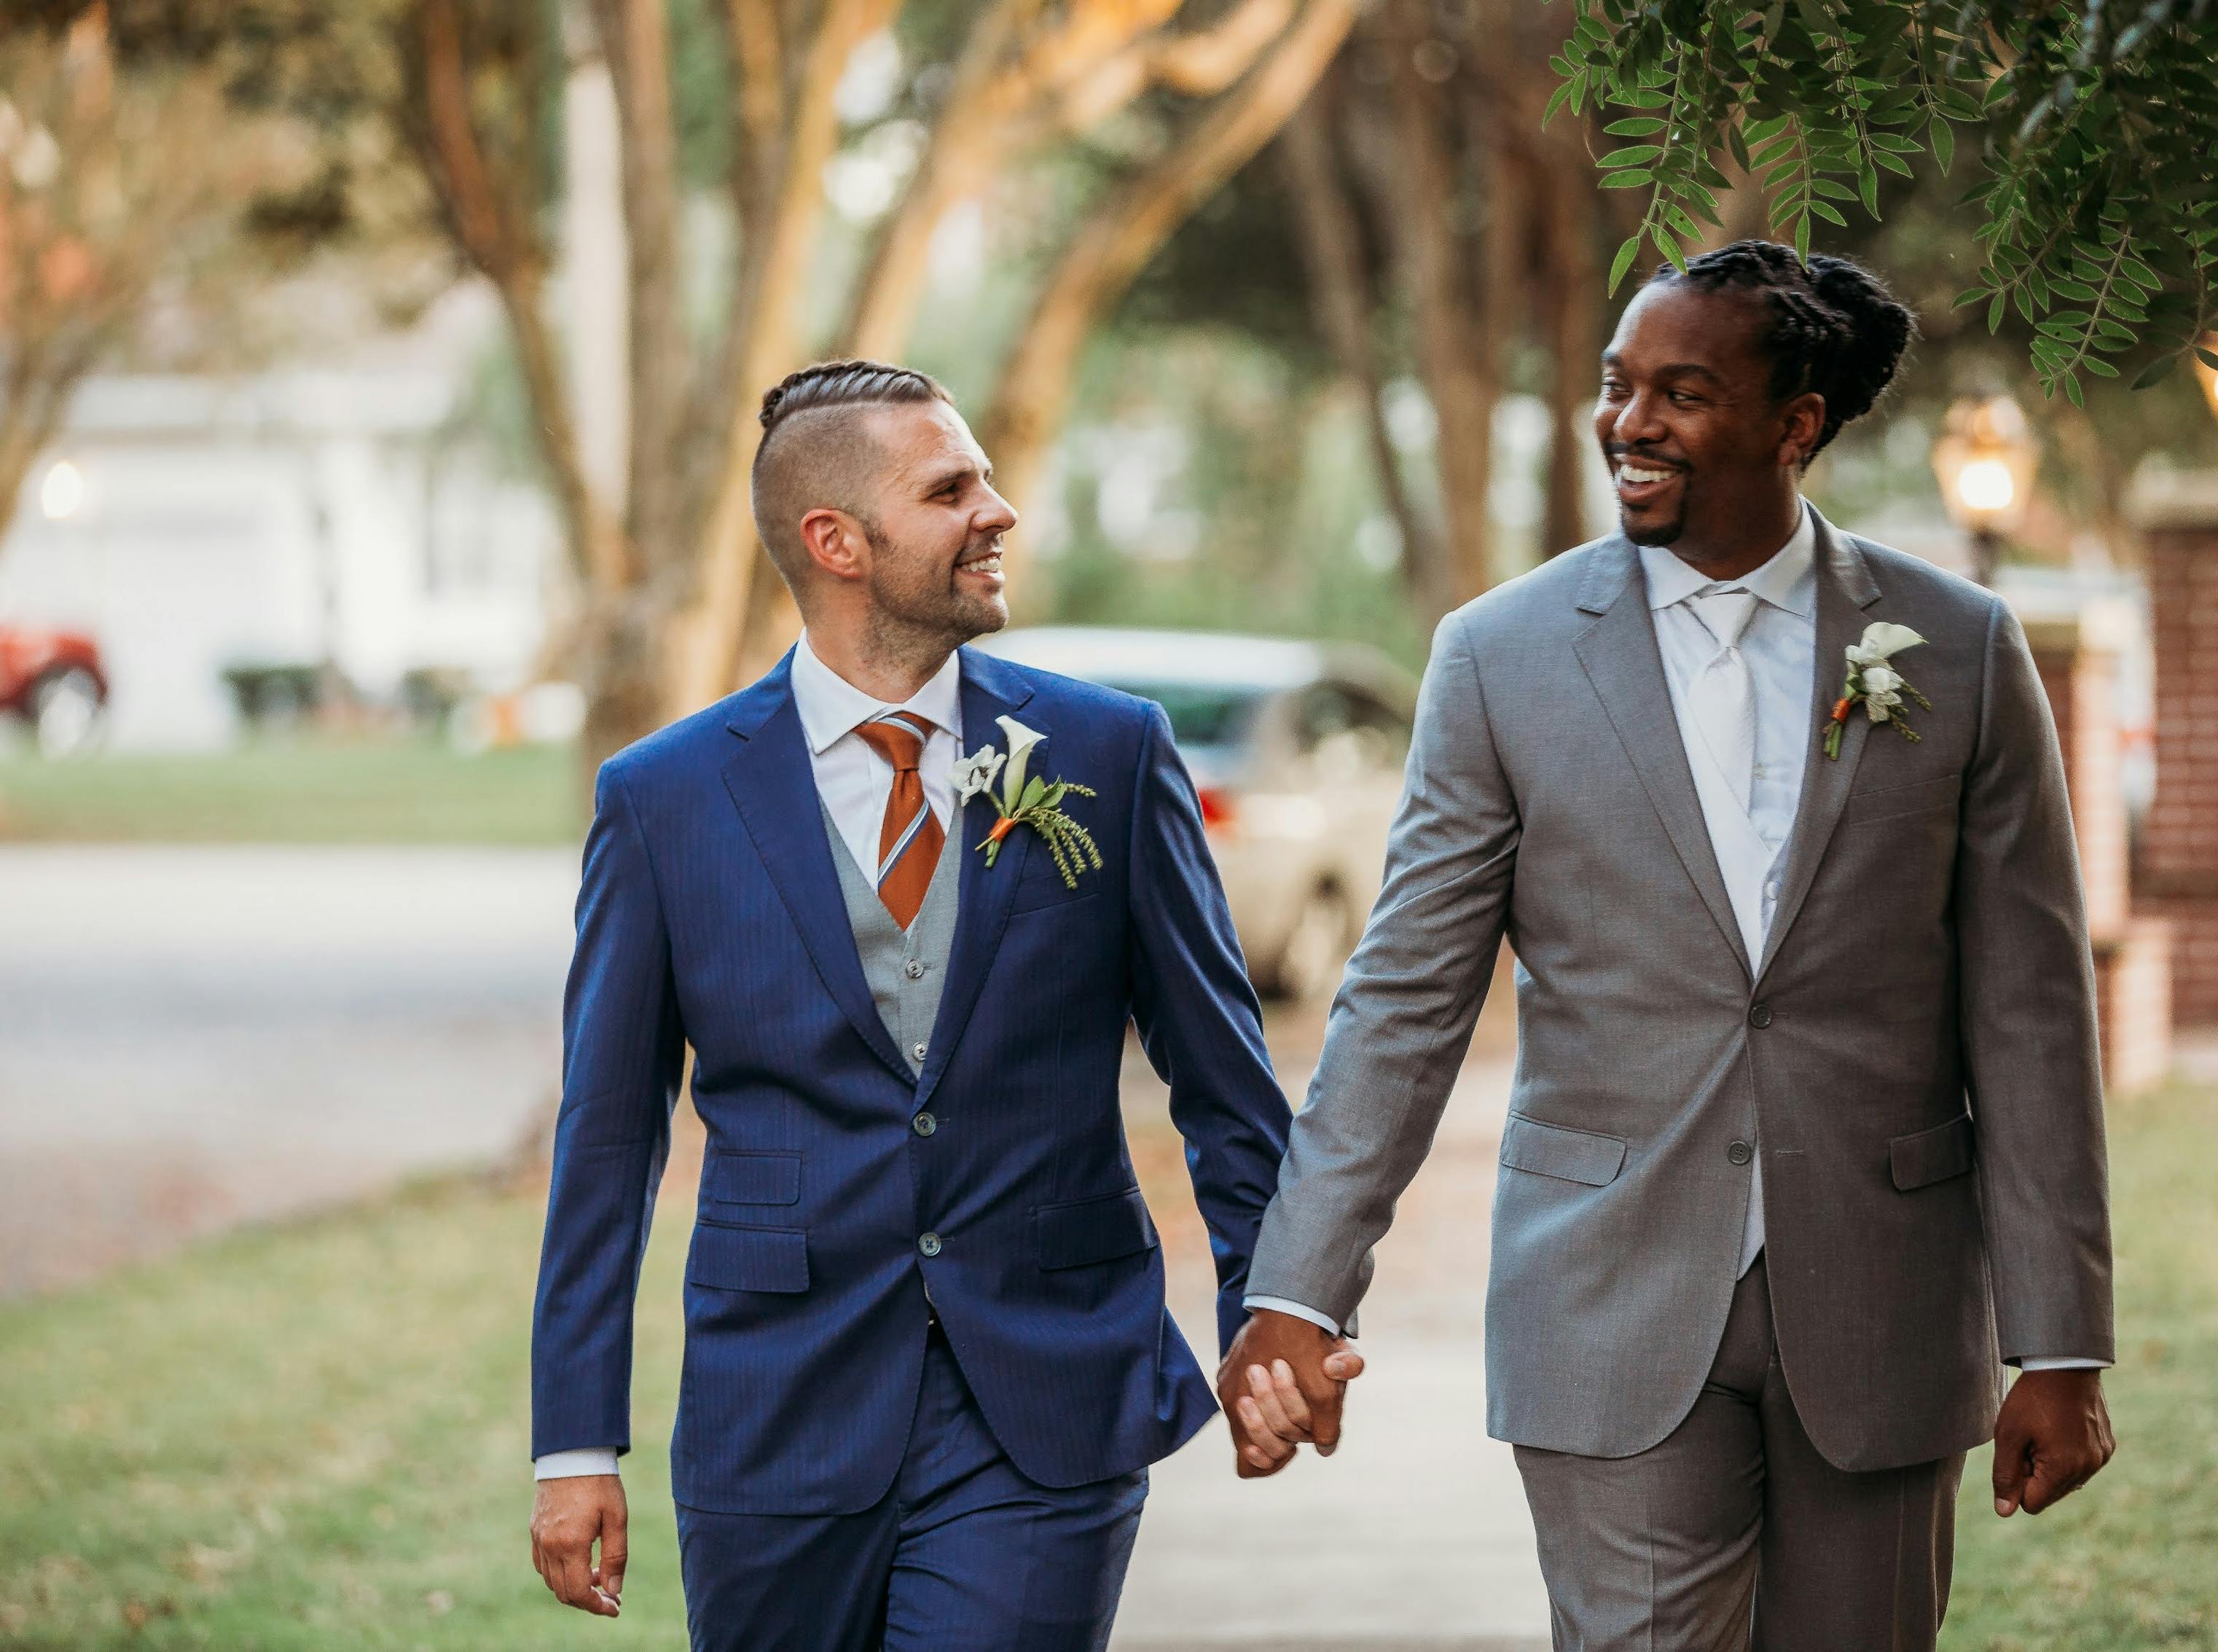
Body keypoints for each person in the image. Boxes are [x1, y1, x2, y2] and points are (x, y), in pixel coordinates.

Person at [1220, 241, 2117, 1649]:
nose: (1628, 424)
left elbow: (2033, 1016)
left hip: (1883, 1299)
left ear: (1795, 425)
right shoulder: (1497, 657)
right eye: (1616, 386)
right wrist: (1297, 1286)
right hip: (1609, 1297)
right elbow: (1404, 999)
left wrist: (2060, 1341)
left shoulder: (1957, 647)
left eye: (1683, 392)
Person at [527, 359, 1348, 1649]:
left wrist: (1272, 1314)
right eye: (952, 487)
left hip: (1046, 1401)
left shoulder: (1106, 755)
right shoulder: (665, 800)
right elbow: (608, 1137)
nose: (1000, 510)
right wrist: (573, 1438)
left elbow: (1224, 1078)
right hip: (777, 1414)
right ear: (836, 541)